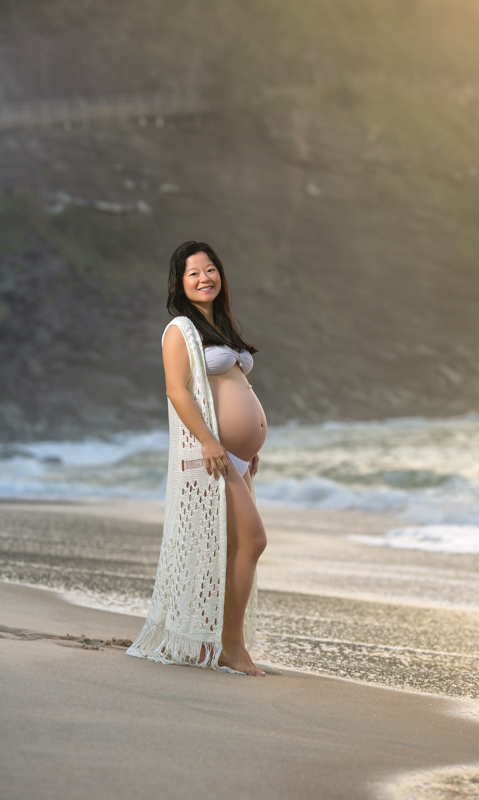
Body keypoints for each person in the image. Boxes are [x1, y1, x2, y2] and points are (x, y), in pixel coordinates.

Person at [127, 241, 267, 676]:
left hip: (235, 460)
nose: (205, 277)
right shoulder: (178, 331)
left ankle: (226, 643)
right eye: (194, 273)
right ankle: (231, 646)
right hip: (213, 458)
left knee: (234, 549)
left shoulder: (222, 327)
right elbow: (176, 390)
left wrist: (250, 448)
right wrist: (210, 442)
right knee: (253, 541)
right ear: (180, 282)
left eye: (210, 269)